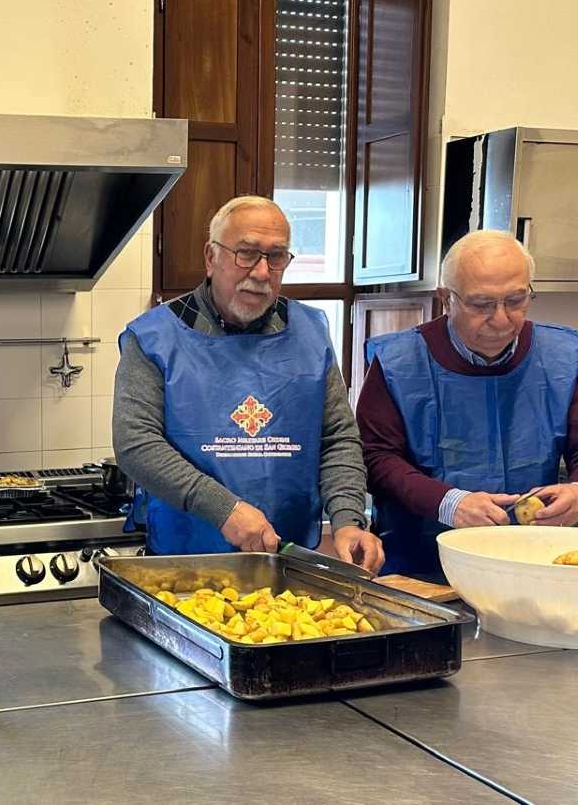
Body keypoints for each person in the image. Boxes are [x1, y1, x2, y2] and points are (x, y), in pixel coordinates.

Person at [113, 195, 384, 571]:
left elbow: (337, 437)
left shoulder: (311, 334)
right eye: (246, 253)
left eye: (276, 257)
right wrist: (226, 510)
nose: (261, 272)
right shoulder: (153, 338)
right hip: (183, 566)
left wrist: (348, 519)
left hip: (288, 565)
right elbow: (137, 446)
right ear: (211, 257)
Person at [357, 230, 578, 576]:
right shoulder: (397, 362)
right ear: (446, 298)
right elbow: (376, 459)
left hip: (534, 559)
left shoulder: (566, 357)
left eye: (516, 300)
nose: (502, 319)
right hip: (420, 561)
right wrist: (448, 504)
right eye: (482, 304)